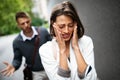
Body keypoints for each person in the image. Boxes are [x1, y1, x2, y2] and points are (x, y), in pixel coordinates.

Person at [39, 1, 97, 80]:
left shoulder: (86, 42)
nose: (66, 30)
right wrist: (62, 51)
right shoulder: (45, 50)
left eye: (70, 25)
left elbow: (91, 78)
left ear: (75, 24)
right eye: (61, 26)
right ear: (53, 24)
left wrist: (76, 48)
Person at [0, 12, 52, 80]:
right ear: (18, 25)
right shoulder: (17, 42)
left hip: (51, 69)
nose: (26, 25)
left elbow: (54, 46)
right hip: (36, 73)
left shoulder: (43, 31)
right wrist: (14, 66)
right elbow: (17, 59)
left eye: (27, 22)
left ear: (30, 20)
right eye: (22, 23)